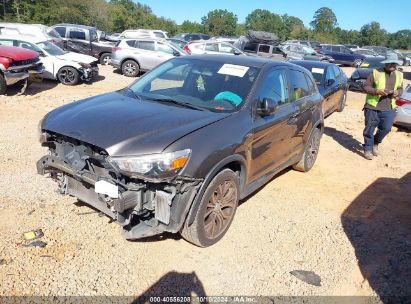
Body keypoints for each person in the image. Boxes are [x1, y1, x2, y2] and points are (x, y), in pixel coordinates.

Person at [362, 54, 403, 160]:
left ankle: (375, 143)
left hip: (389, 107)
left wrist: (397, 92)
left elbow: (401, 89)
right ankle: (367, 149)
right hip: (372, 107)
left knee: (386, 128)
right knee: (369, 129)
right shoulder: (376, 73)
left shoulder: (399, 75)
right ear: (385, 63)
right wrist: (376, 91)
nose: (392, 65)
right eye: (389, 63)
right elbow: (365, 86)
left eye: (394, 63)